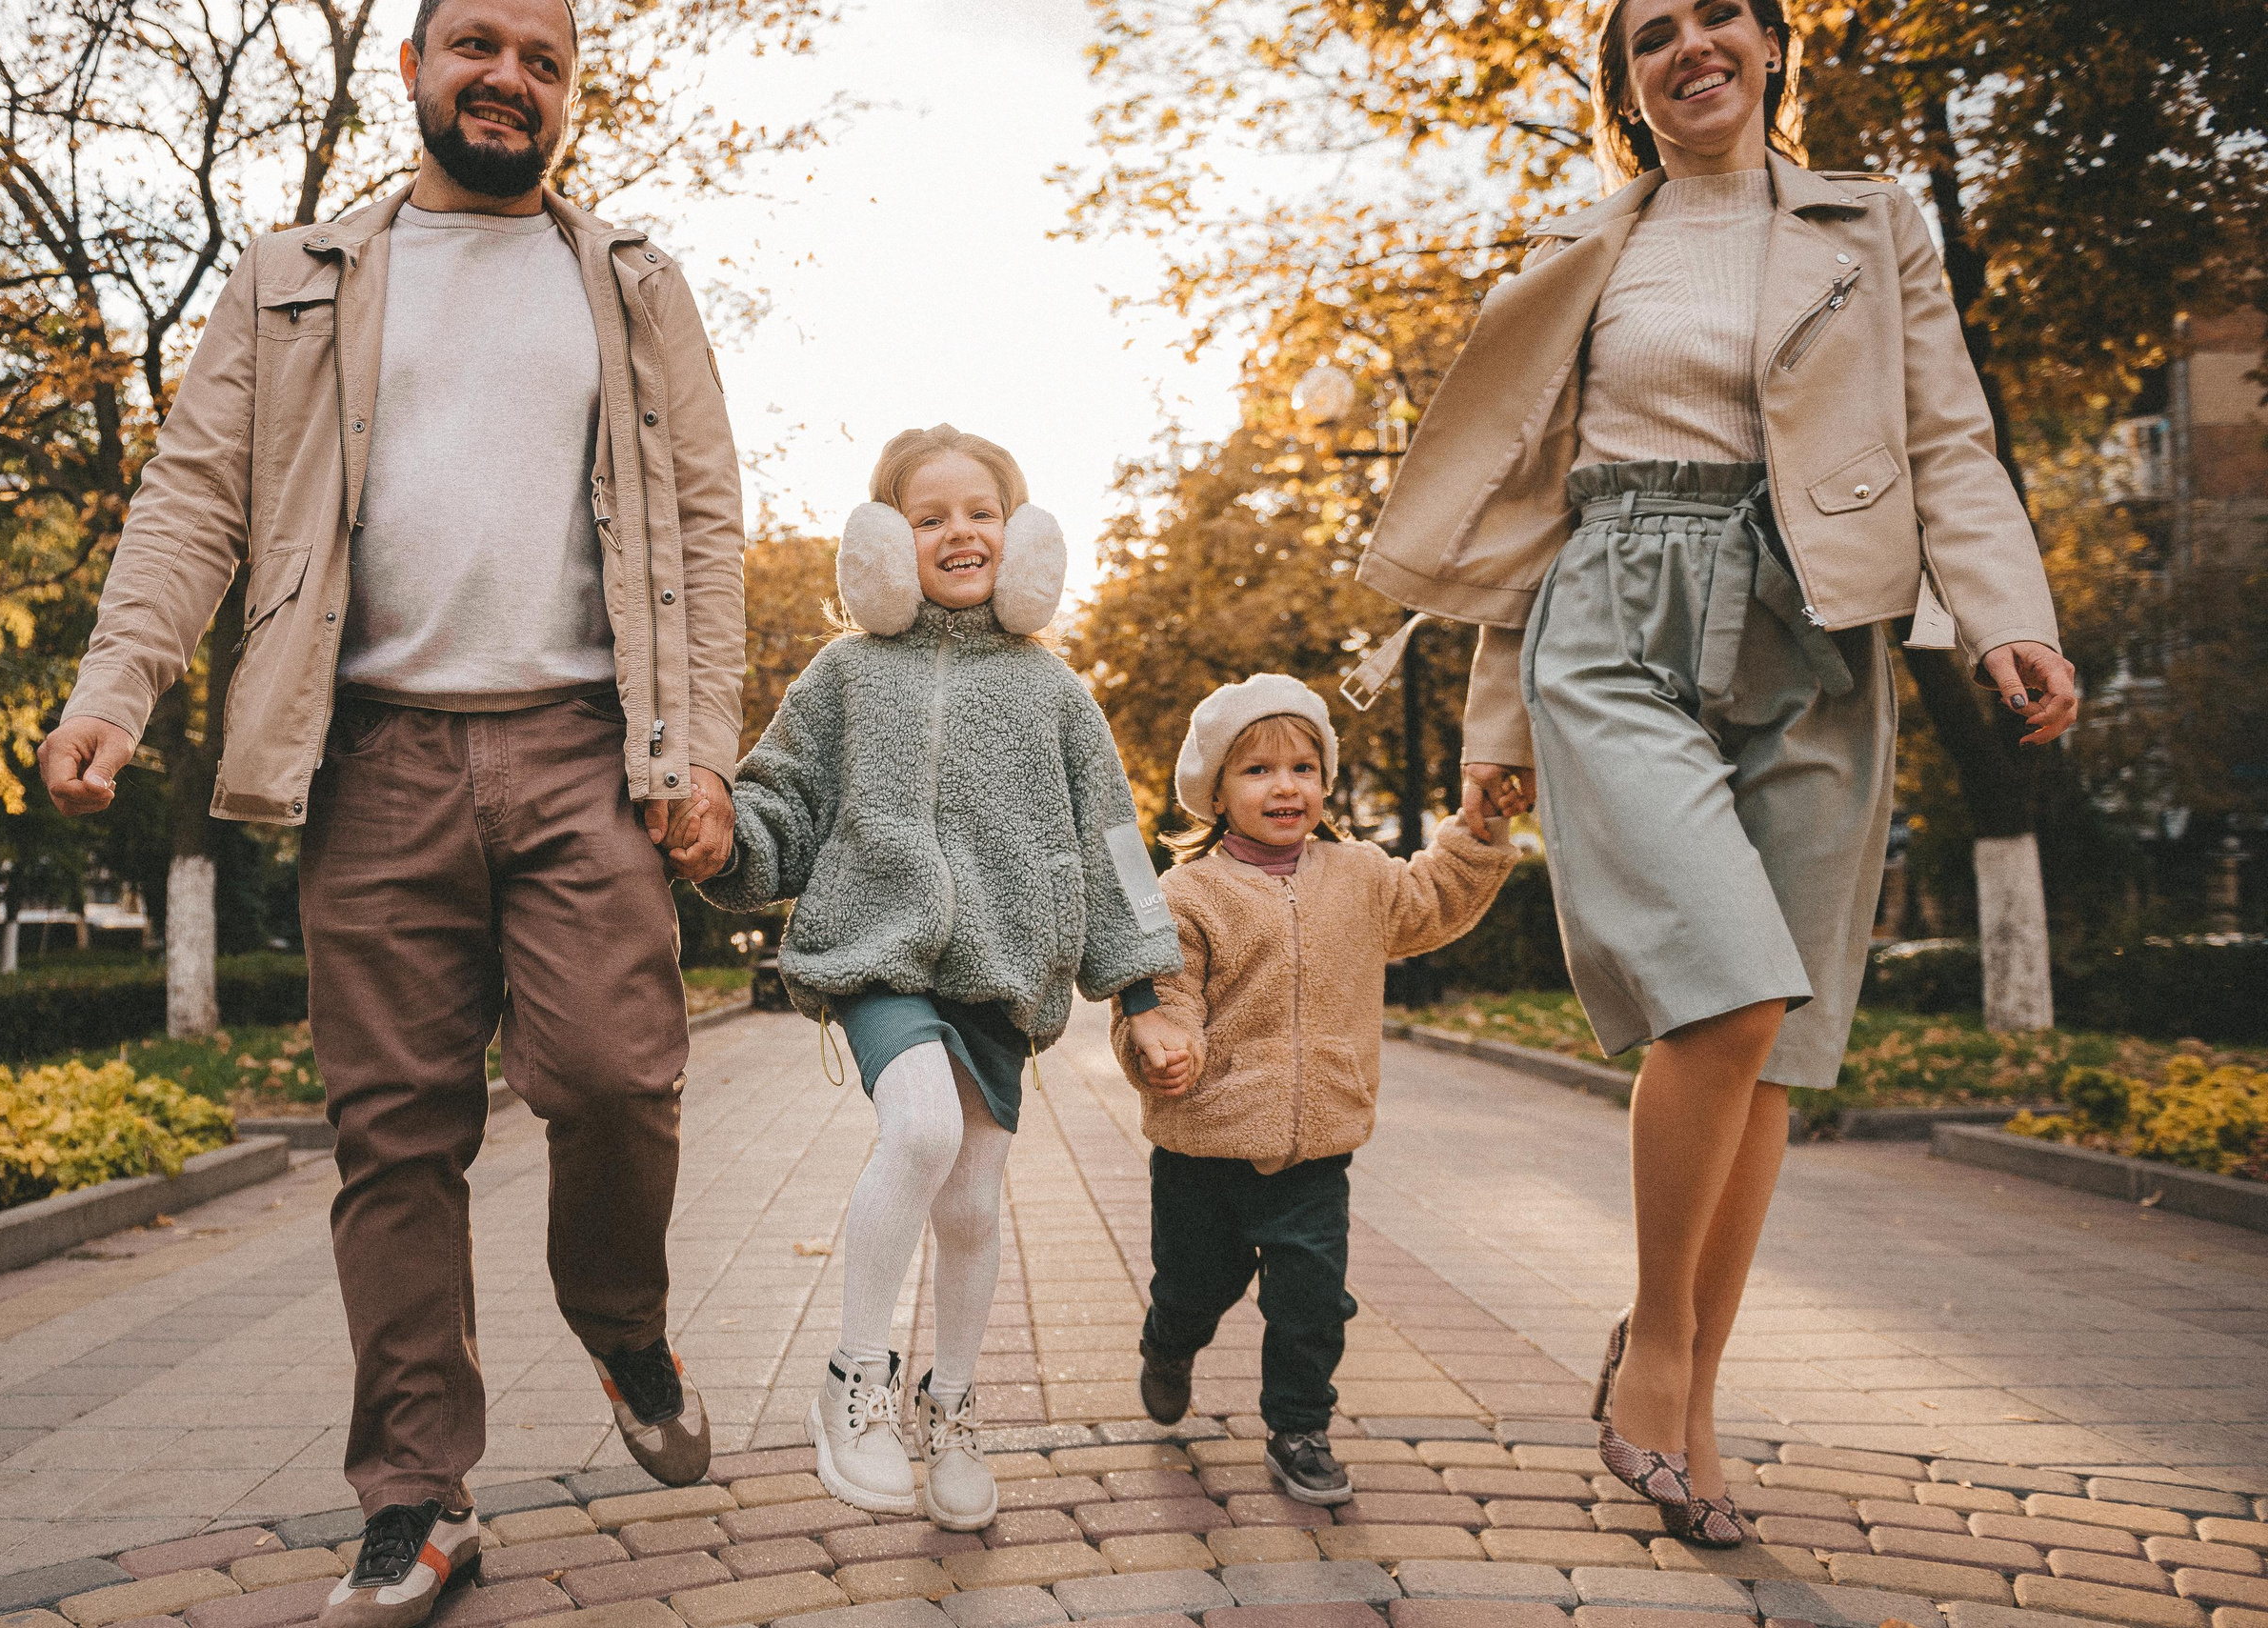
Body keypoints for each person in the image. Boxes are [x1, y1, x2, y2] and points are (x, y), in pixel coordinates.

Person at [34, 0, 747, 1616]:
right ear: (413, 67)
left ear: (568, 93)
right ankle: (419, 1492)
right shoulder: (295, 278)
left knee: (618, 1073)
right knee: (396, 1138)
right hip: (374, 762)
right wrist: (112, 687)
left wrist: (703, 745)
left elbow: (705, 522)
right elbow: (194, 498)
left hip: (584, 743)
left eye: (545, 59)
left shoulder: (632, 284)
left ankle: (620, 1318)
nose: (510, 77)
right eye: (478, 44)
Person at [1347, 0, 2076, 1547]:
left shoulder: (1875, 227)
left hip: (1818, 625)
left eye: (1720, 14)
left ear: (1769, 45)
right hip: (1614, 611)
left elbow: (1950, 439)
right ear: (1626, 82)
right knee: (1727, 991)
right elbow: (1526, 507)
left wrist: (2005, 614)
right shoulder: (1589, 256)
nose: (1693, 42)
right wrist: (1491, 730)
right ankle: (1655, 1350)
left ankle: (1695, 1395)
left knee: (1778, 1044)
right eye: (1653, 29)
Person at [703, 425, 1184, 1531]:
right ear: (884, 539)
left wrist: (1145, 990)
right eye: (930, 516)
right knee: (918, 1130)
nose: (959, 531)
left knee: (969, 1198)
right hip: (878, 950)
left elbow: (1116, 841)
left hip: (1005, 970)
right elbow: (778, 797)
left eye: (982, 511)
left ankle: (951, 1403)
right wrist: (727, 841)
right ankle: (851, 1383)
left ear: (1020, 538)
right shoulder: (845, 674)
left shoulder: (1055, 691)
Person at [1112, 674, 1517, 1503]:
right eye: (1258, 770)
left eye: (1303, 766)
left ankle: (1300, 1427)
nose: (1285, 785)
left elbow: (1435, 896)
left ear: (1325, 781)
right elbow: (1159, 994)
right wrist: (1167, 1050)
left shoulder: (1361, 876)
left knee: (1311, 1302)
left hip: (1315, 1149)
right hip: (1205, 1150)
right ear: (1216, 791)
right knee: (1195, 1284)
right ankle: (1169, 1340)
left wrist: (1477, 835)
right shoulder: (1187, 894)